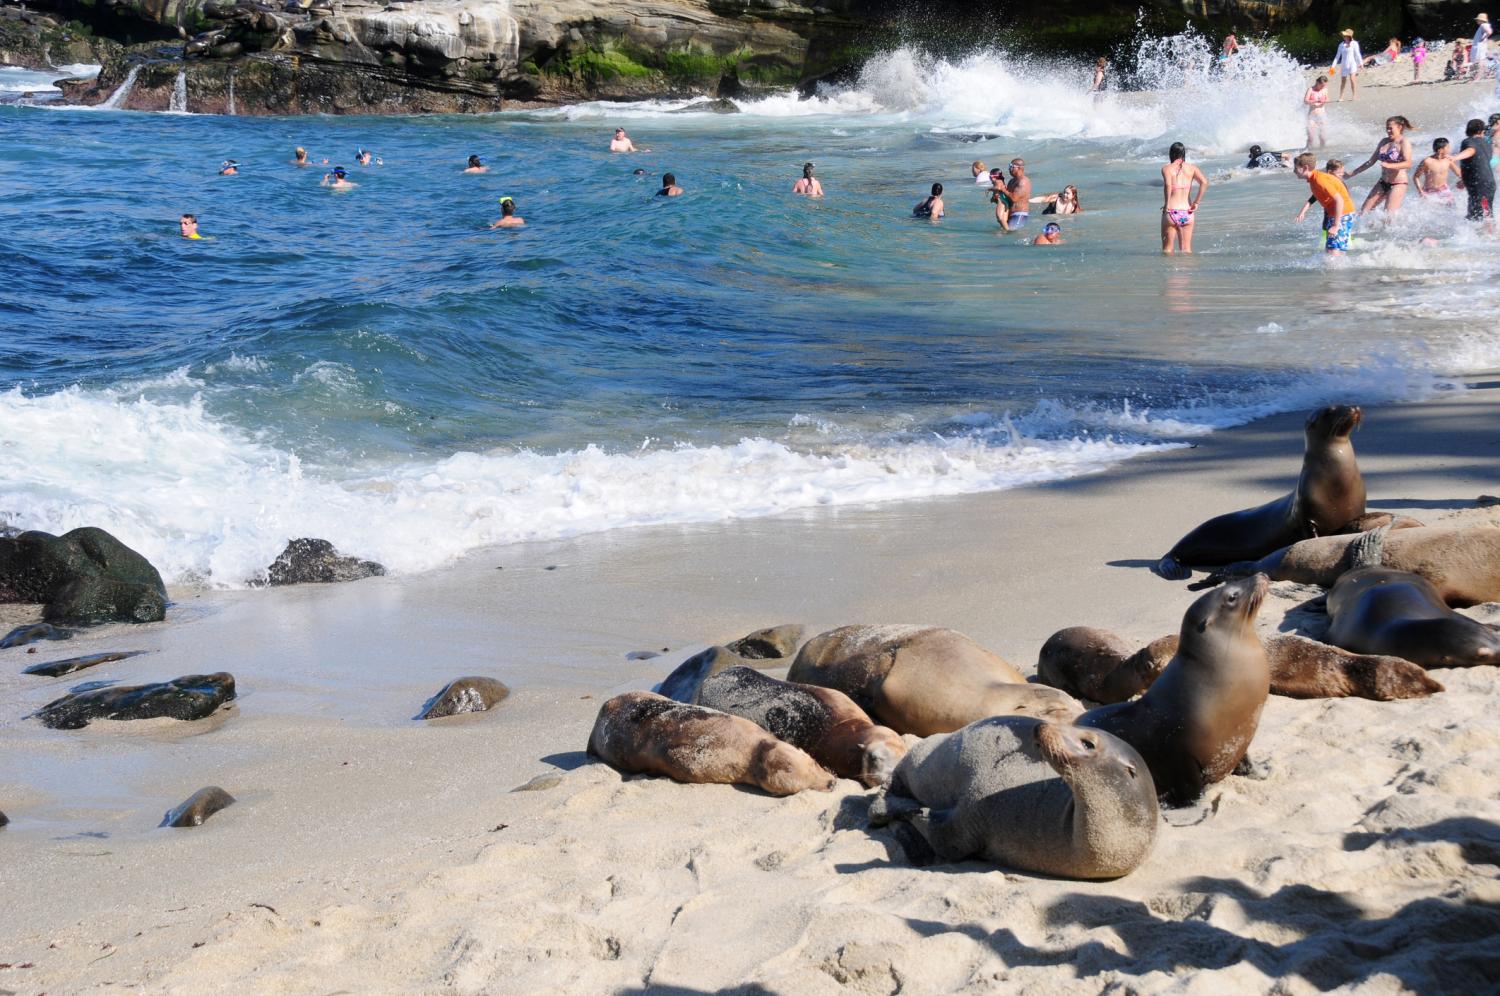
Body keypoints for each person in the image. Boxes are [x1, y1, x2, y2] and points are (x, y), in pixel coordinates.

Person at [1347, 115, 1414, 216]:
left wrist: (1390, 166)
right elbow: (1371, 162)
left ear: (1399, 127)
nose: (1388, 131)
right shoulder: (1384, 141)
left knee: (1388, 216)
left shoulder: (1404, 142)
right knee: (1363, 213)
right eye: (1387, 128)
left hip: (1398, 184)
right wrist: (1352, 173)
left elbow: (1408, 163)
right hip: (1383, 182)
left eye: (1390, 128)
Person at [1295, 152, 1356, 254]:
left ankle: (1338, 265)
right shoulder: (1314, 179)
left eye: (1296, 168)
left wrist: (1336, 225)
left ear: (1305, 168)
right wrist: (1303, 212)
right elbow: (1314, 198)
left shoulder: (1320, 180)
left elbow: (1339, 200)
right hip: (1336, 214)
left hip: (1342, 214)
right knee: (1330, 249)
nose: (1294, 171)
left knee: (1333, 250)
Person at [1161, 142, 1207, 254]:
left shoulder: (1166, 169)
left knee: (1167, 250)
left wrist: (1166, 205)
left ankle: (1170, 266)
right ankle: (1186, 266)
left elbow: (1168, 185)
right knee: (1186, 250)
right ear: (1183, 153)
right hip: (1187, 212)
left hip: (1171, 212)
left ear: (1171, 153)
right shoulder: (1192, 168)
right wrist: (1196, 202)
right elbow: (1204, 182)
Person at [1450, 118, 1496, 224]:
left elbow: (1471, 150)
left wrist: (1455, 157)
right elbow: (1479, 163)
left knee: (1483, 214)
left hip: (1479, 184)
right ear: (1481, 131)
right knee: (1478, 213)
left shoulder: (1468, 141)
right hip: (1487, 182)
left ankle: (1490, 233)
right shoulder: (1487, 144)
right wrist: (1464, 181)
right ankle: (1482, 232)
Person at [1296, 157, 1345, 225]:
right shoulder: (1323, 183)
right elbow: (1312, 199)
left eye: (1343, 173)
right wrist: (1302, 212)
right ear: (1330, 172)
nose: (1342, 175)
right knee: (1326, 227)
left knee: (1332, 227)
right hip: (1330, 211)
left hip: (1341, 212)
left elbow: (1344, 200)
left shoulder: (1338, 183)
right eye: (1339, 173)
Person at [1414, 138, 1461, 205]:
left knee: (1452, 207)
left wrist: (1463, 181)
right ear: (1440, 150)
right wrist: (1420, 191)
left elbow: (1459, 173)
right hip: (1429, 191)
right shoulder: (1427, 161)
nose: (1449, 149)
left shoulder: (1448, 160)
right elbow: (1416, 177)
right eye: (1447, 147)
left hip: (1444, 190)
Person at [999, 158, 1032, 231]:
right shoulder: (1011, 181)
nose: (1009, 169)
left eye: (1011, 167)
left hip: (1019, 215)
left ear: (1019, 168)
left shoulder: (1023, 182)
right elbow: (1007, 197)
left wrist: (1003, 189)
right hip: (1009, 214)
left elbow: (1014, 198)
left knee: (1010, 233)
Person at [1334, 29, 1363, 101]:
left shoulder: (1354, 43)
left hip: (1352, 64)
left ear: (1349, 36)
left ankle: (1354, 96)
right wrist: (1332, 67)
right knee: (1343, 81)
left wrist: (1361, 63)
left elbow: (1357, 54)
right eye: (1344, 35)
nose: (1344, 36)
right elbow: (1337, 56)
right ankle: (1341, 97)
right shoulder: (1341, 45)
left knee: (1352, 79)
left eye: (1345, 35)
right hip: (1344, 65)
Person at [1305, 75, 1330, 147]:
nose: (1323, 87)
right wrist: (1315, 101)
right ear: (1317, 83)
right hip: (1312, 116)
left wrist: (1324, 100)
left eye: (1324, 86)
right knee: (1311, 136)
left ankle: (1322, 150)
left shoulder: (1325, 90)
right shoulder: (1311, 89)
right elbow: (1305, 101)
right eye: (1322, 86)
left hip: (1322, 115)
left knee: (1322, 137)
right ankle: (1307, 150)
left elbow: (1328, 99)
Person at [1474, 15, 1493, 79]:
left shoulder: (1483, 25)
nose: (1476, 20)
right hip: (1481, 45)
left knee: (1481, 60)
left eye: (1478, 19)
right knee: (1483, 60)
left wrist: (1484, 37)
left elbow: (1489, 32)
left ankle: (1479, 76)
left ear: (1481, 20)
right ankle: (1488, 73)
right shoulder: (1483, 26)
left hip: (1481, 46)